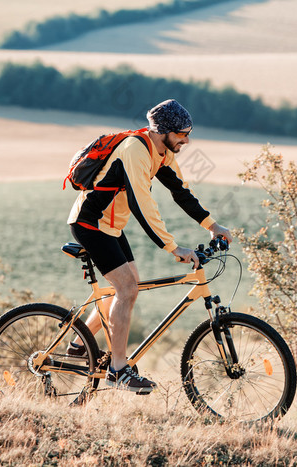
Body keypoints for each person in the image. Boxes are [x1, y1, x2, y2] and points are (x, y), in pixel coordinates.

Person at [66, 99, 232, 394]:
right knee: (127, 288)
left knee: (128, 287)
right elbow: (141, 203)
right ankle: (118, 370)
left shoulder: (162, 152)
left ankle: (79, 343)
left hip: (111, 227)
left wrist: (212, 225)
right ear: (164, 130)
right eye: (182, 133)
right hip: (90, 224)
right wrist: (172, 247)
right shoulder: (135, 150)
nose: (187, 139)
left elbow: (181, 192)